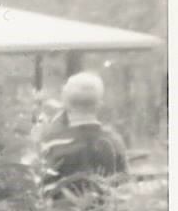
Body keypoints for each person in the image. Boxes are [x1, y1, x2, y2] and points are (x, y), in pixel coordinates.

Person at [41, 72, 128, 200]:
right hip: (106, 210)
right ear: (99, 105)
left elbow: (44, 189)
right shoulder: (113, 141)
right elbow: (124, 185)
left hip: (62, 210)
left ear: (66, 104)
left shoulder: (52, 142)